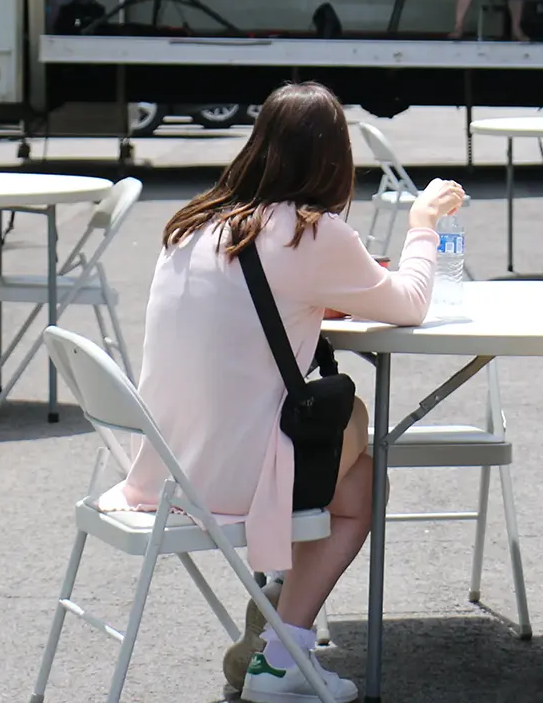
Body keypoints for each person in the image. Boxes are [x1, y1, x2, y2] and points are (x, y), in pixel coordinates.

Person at [101, 81, 464, 702]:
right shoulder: (310, 232)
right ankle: (281, 636)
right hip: (234, 480)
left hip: (165, 470)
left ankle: (280, 630)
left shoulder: (194, 223)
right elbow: (410, 303)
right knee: (354, 433)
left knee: (354, 476)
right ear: (335, 160)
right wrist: (423, 225)